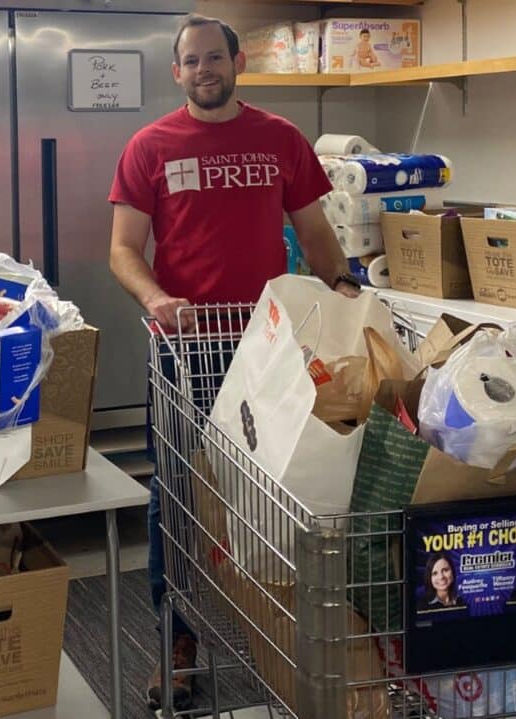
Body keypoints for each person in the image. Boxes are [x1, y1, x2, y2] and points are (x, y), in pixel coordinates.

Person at [107, 12, 359, 711]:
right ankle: (178, 638)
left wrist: (340, 288)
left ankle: (281, 625)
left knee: (283, 490)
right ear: (177, 72)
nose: (203, 71)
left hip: (274, 345)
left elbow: (314, 232)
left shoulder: (280, 139)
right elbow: (123, 248)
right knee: (183, 489)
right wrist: (157, 297)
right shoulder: (148, 146)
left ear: (237, 62)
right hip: (189, 347)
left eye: (214, 58)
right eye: (191, 62)